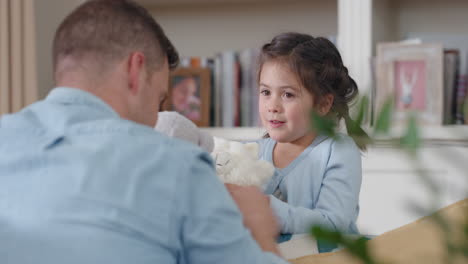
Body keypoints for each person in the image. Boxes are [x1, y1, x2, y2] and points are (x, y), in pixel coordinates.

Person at [0, 1, 287, 263]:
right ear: (135, 69)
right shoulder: (178, 166)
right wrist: (258, 230)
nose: (157, 118)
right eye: (159, 100)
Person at [255, 33, 363, 240]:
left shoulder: (338, 151)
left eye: (288, 95)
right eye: (266, 92)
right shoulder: (251, 152)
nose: (272, 107)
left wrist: (266, 208)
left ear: (323, 104)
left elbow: (333, 224)